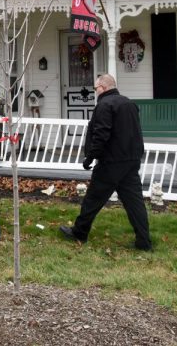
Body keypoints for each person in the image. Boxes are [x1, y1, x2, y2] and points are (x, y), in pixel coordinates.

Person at [59, 73, 152, 251]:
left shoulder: (104, 105)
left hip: (111, 162)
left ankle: (79, 232)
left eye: (96, 88)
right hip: (131, 160)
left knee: (93, 199)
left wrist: (91, 156)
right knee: (134, 203)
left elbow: (101, 134)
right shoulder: (129, 104)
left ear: (104, 87)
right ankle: (144, 241)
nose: (95, 92)